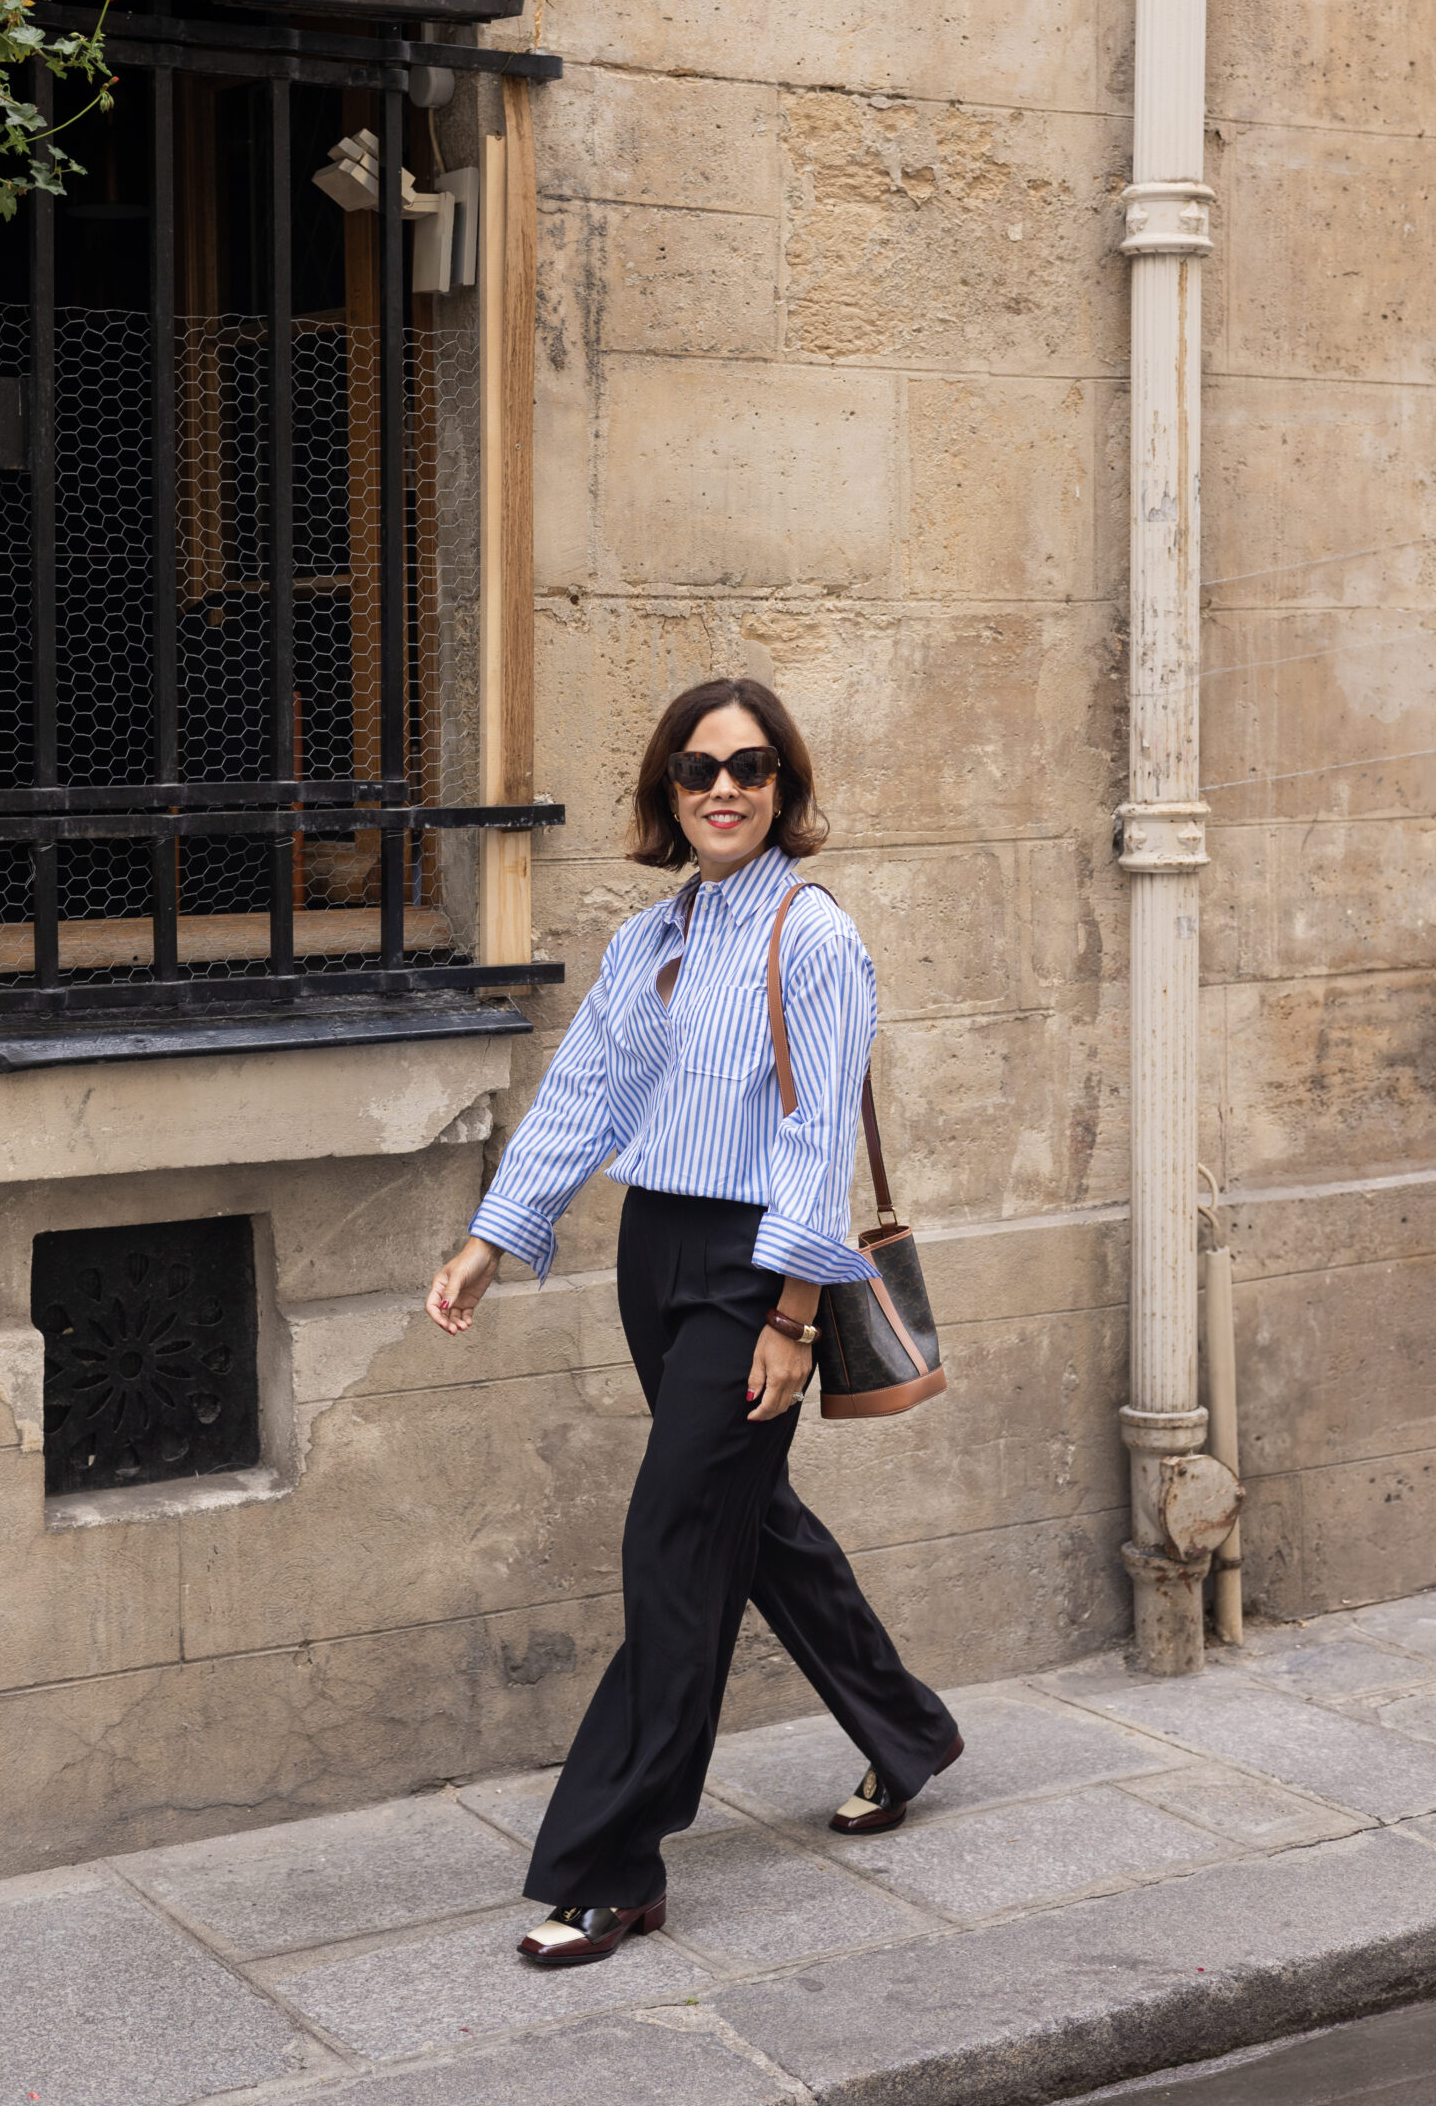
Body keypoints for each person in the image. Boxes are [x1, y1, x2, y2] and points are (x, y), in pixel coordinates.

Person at [426, 676, 961, 1967]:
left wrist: (789, 1315)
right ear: (668, 791)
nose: (725, 787)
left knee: (673, 1540)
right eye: (699, 767)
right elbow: (583, 1098)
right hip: (654, 1253)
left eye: (754, 767)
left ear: (787, 790)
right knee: (746, 1522)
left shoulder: (815, 937)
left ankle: (614, 1863)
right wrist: (493, 1237)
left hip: (751, 1274)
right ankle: (907, 1731)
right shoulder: (649, 942)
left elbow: (817, 1133)